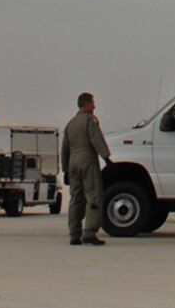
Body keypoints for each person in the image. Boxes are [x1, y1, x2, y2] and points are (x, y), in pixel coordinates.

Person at [60, 91, 111, 246]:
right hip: (87, 160)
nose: (94, 106)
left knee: (76, 198)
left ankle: (74, 234)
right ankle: (90, 232)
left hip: (72, 162)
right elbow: (97, 140)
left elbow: (64, 149)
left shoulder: (70, 123)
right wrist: (106, 158)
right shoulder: (90, 120)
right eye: (92, 103)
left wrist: (66, 170)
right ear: (86, 104)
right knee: (93, 195)